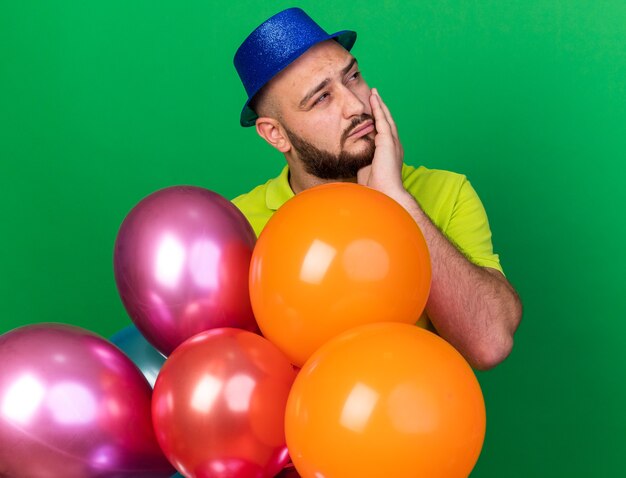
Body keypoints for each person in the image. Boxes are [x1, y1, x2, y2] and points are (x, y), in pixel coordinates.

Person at [232, 8, 522, 370]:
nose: (355, 105)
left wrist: (397, 201)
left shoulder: (446, 192)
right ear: (275, 134)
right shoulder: (236, 229)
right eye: (321, 98)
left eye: (352, 77)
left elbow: (489, 342)